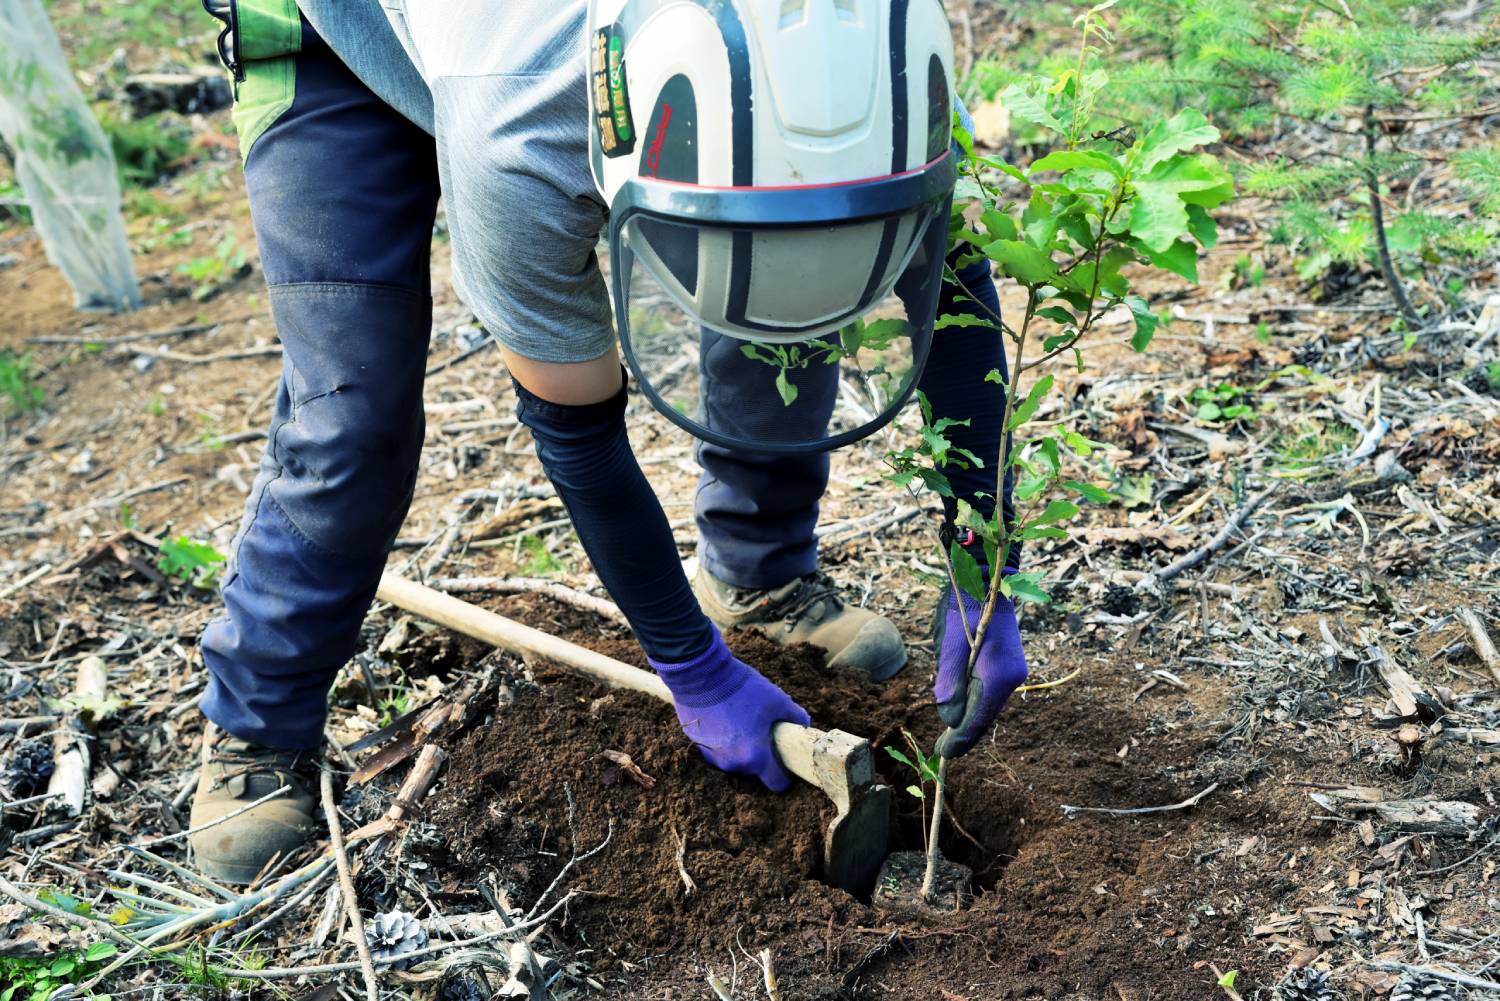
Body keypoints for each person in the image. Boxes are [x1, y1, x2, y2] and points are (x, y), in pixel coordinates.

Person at [187, 0, 1029, 885]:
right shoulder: (516, 134)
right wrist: (692, 669)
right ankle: (259, 722)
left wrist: (983, 565)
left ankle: (758, 571)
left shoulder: (884, 69)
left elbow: (960, 304)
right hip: (337, 37)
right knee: (352, 405)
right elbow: (576, 431)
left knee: (791, 280)